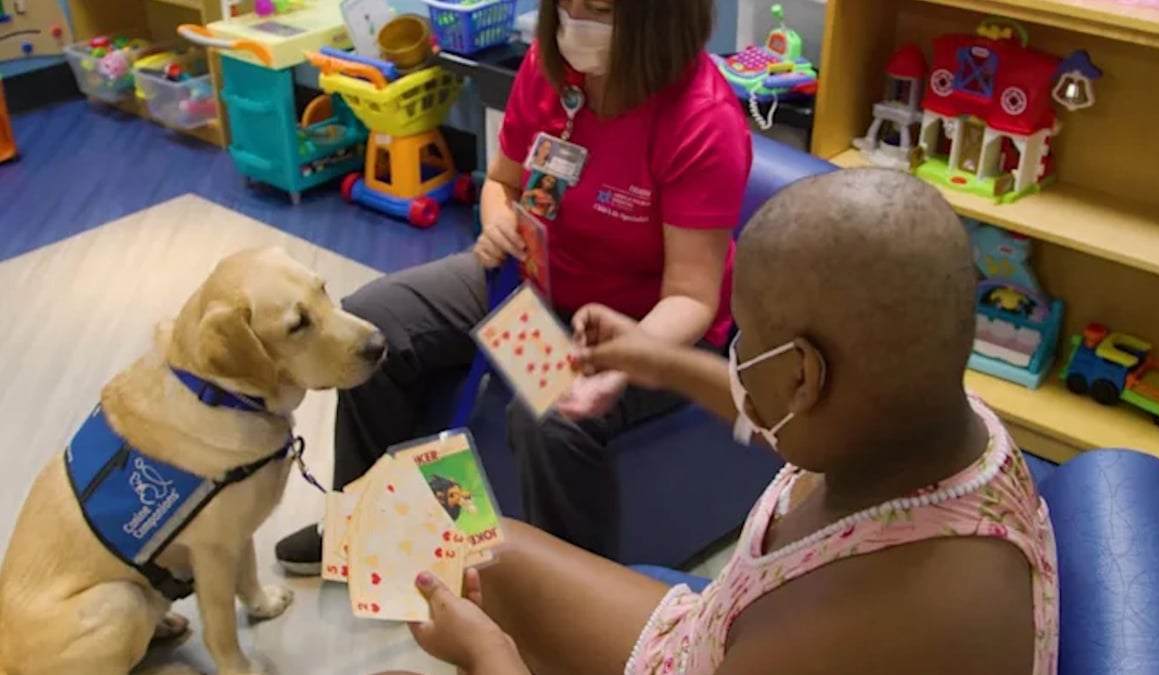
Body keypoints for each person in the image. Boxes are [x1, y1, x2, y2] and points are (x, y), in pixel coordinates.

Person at [389, 169, 1059, 675]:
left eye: (744, 341)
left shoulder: (872, 623)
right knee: (475, 538)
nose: (733, 355)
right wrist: (659, 359)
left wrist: (490, 656)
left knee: (476, 589)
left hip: (712, 650)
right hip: (705, 631)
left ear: (802, 375)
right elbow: (784, 416)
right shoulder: (925, 413)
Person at [275, 0, 751, 571]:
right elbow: (501, 182)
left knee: (550, 414)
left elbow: (692, 297)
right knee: (371, 325)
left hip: (647, 327)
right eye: (565, 3)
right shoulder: (552, 73)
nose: (575, 20)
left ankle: (571, 599)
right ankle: (367, 525)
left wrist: (622, 361)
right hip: (533, 279)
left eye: (597, 8)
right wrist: (498, 221)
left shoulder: (702, 119)